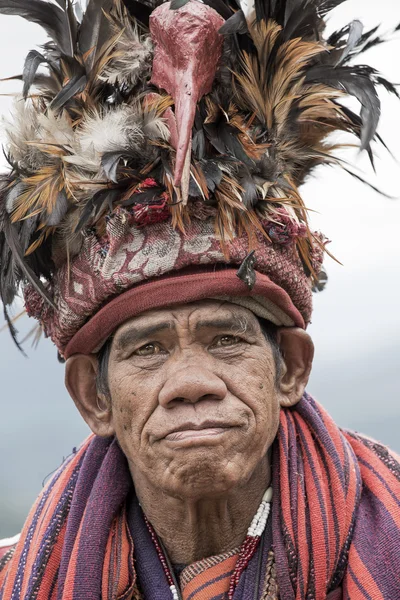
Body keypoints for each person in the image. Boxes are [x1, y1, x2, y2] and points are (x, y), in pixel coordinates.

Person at [0, 0, 399, 598]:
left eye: (226, 339)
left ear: (290, 368)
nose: (192, 381)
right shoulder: (21, 579)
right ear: (93, 397)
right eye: (148, 349)